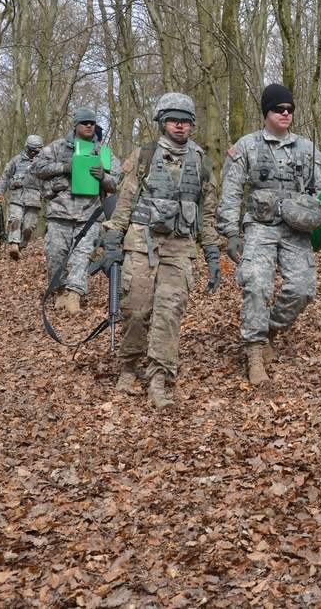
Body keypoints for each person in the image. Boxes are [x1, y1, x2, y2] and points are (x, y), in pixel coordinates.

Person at [98, 93, 222, 410]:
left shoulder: (202, 163)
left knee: (169, 314)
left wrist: (211, 252)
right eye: (173, 119)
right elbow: (124, 203)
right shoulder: (144, 156)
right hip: (142, 243)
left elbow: (207, 216)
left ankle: (158, 378)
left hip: (180, 248)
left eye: (185, 120)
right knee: (136, 310)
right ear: (162, 122)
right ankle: (128, 365)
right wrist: (112, 240)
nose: (180, 125)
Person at [217, 83, 321, 387]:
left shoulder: (308, 149)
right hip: (260, 226)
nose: (285, 114)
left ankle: (269, 329)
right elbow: (231, 192)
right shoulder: (246, 146)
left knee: (303, 288)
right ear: (266, 112)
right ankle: (255, 352)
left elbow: (320, 192)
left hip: (297, 229)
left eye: (289, 109)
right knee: (257, 284)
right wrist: (231, 232)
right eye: (278, 109)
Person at [31, 107, 119, 315]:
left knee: (82, 256)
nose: (89, 126)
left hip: (90, 214)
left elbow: (117, 182)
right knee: (55, 255)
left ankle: (74, 297)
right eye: (84, 123)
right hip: (59, 212)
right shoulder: (57, 148)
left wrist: (103, 178)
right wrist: (63, 168)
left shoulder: (104, 153)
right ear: (75, 125)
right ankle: (60, 290)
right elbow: (36, 169)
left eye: (92, 123)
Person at [0, 134, 45, 260]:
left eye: (38, 151)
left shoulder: (44, 162)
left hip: (34, 199)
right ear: (28, 149)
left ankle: (22, 246)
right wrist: (0, 193)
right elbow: (5, 177)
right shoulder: (16, 160)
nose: (35, 153)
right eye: (33, 151)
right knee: (15, 220)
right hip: (17, 197)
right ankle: (14, 246)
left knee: (29, 227)